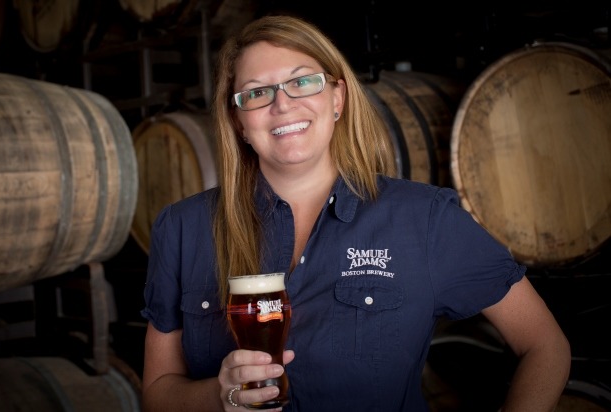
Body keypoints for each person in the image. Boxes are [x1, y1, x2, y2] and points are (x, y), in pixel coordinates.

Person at [140, 14, 571, 411]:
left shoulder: (423, 219)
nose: (282, 104)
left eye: (302, 81)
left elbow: (544, 346)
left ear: (338, 98)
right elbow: (159, 393)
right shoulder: (183, 228)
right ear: (238, 121)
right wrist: (219, 397)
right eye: (256, 92)